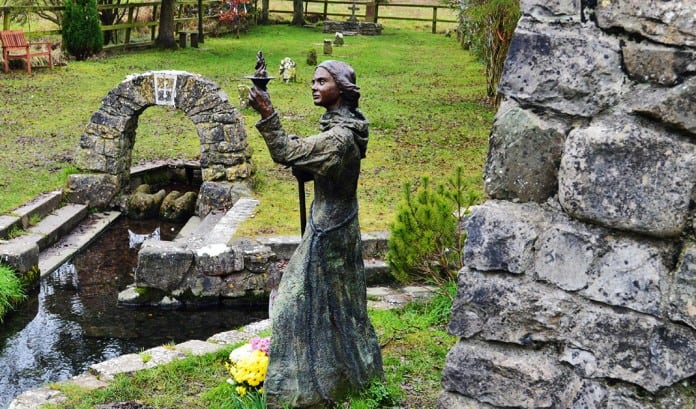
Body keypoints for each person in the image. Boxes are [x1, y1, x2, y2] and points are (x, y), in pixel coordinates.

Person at [249, 60, 383, 408]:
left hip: (329, 231)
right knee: (339, 307)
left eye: (322, 81)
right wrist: (309, 169)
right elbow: (320, 161)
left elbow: (286, 152)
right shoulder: (345, 127)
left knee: (294, 305)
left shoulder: (339, 138)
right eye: (312, 80)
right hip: (337, 222)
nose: (314, 86)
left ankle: (304, 391)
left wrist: (267, 111)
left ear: (340, 88)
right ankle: (346, 377)